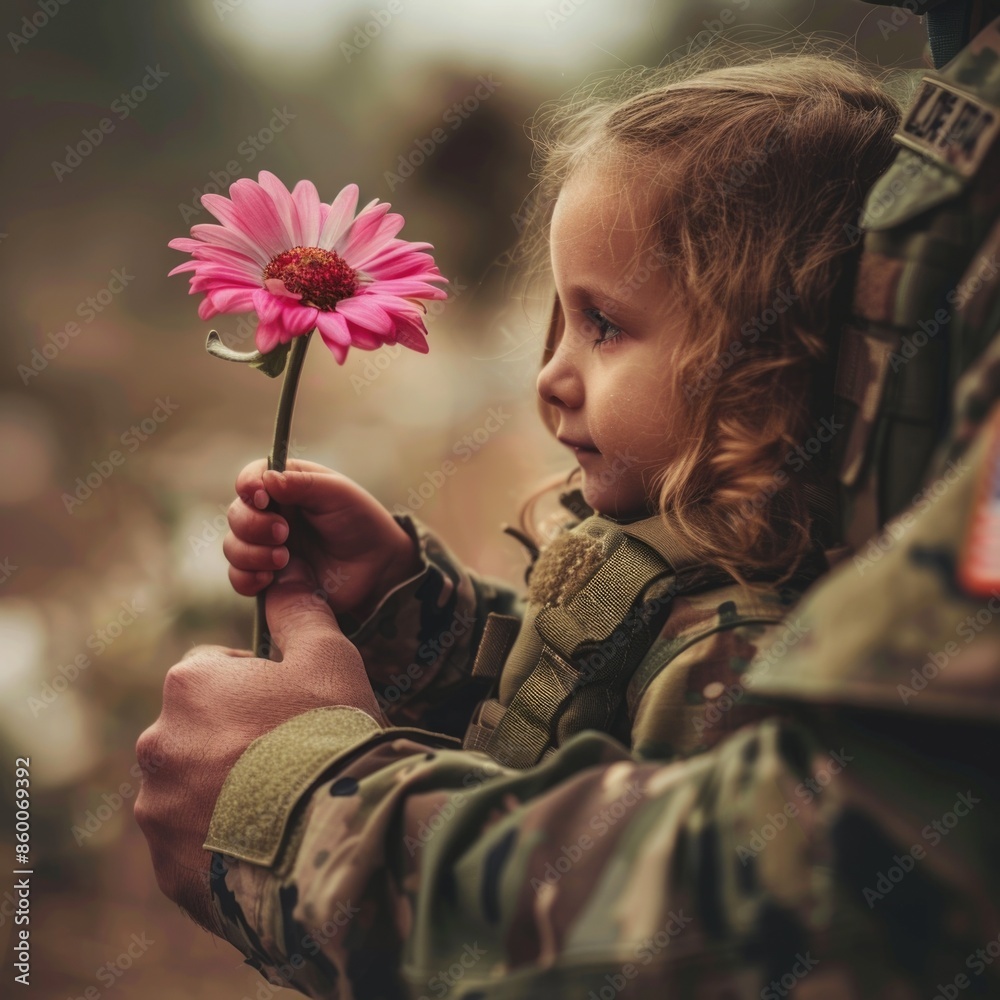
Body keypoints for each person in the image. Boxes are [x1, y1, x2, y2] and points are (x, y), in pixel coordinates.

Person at [136, 20, 1000, 1000]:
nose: (550, 376)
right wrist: (410, 615)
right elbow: (572, 714)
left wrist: (302, 805)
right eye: (558, 317)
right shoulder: (666, 561)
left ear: (763, 362)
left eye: (603, 324)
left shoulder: (734, 654)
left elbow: (659, 935)